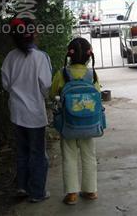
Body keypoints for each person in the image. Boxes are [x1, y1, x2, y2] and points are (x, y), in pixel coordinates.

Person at [1, 18, 53, 203]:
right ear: (34, 34)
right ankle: (37, 192)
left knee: (22, 152)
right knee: (38, 153)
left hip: (16, 113)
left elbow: (6, 84)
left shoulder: (9, 57)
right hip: (35, 115)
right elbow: (46, 86)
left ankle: (22, 186)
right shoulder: (41, 58)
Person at [50, 37, 101, 205]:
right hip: (89, 123)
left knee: (69, 156)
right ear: (89, 56)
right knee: (89, 155)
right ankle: (90, 190)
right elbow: (98, 94)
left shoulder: (62, 73)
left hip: (68, 123)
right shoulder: (91, 74)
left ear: (69, 55)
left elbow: (52, 93)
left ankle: (71, 193)